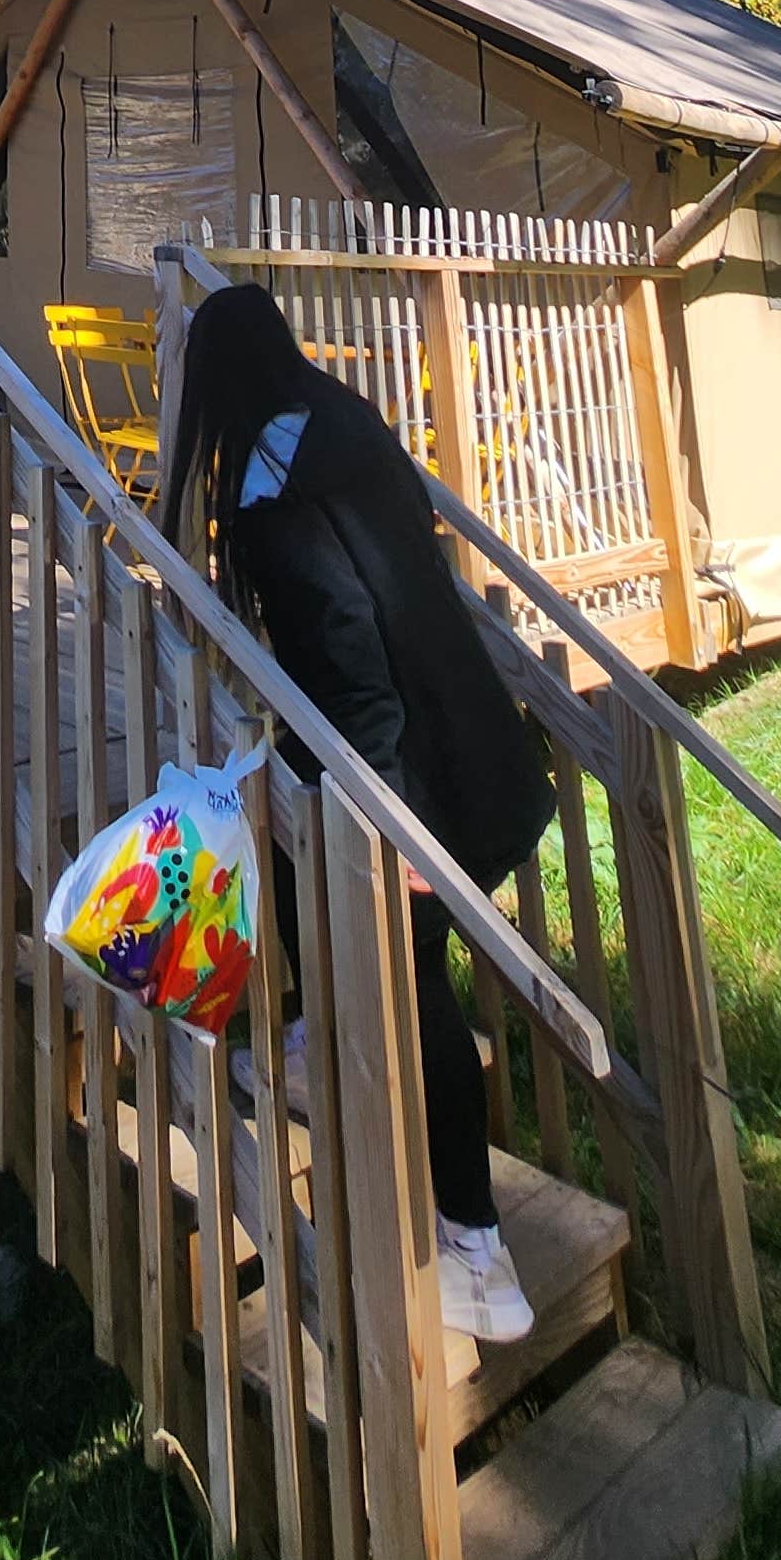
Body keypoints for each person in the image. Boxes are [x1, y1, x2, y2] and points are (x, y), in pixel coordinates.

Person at [162, 280, 554, 1344]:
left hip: (404, 756)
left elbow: (340, 632)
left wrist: (388, 805)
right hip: (463, 726)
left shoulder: (265, 482)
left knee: (417, 983)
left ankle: (476, 1248)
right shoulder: (341, 417)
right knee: (285, 791)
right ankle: (301, 1031)